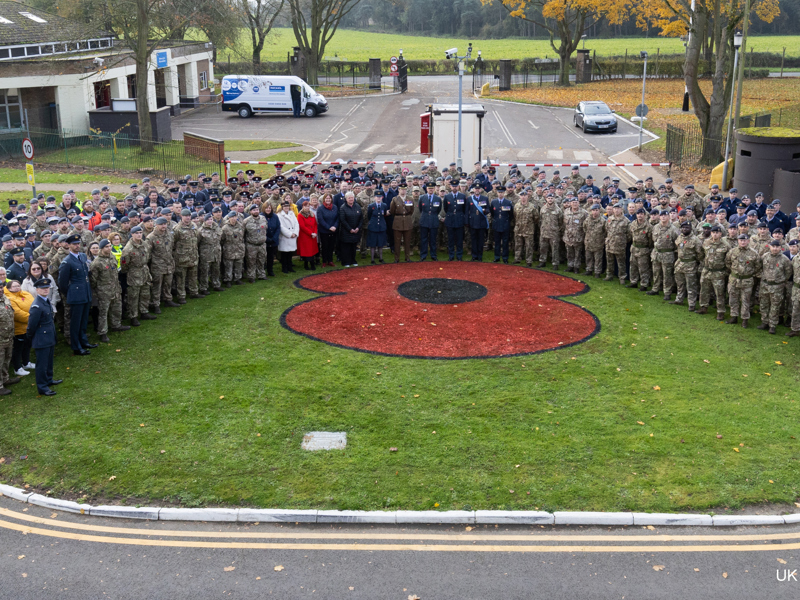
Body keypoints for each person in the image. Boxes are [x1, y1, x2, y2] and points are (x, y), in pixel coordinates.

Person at [57, 234, 97, 356]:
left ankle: (84, 341)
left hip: (85, 293)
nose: (77, 246)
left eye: (78, 243)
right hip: (76, 295)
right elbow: (62, 283)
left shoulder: (83, 256)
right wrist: (71, 292)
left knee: (84, 320)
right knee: (75, 322)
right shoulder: (67, 262)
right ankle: (76, 346)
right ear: (68, 245)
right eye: (74, 244)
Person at [25, 278, 61, 396]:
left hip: (49, 336)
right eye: (43, 288)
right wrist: (31, 337)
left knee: (49, 361)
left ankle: (49, 380)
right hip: (42, 339)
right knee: (42, 364)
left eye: (47, 288)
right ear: (37, 290)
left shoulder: (45, 301)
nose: (46, 290)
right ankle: (42, 387)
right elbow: (31, 325)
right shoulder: (37, 305)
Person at [90, 239, 130, 343]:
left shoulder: (112, 257)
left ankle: (116, 325)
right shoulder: (97, 262)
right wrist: (98, 290)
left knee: (116, 308)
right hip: (103, 291)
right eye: (107, 247)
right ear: (102, 248)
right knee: (103, 312)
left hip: (115, 288)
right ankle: (103, 332)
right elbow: (93, 280)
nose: (109, 248)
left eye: (110, 246)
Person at [7, 279, 34, 377]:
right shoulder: (9, 298)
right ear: (9, 288)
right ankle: (17, 368)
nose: (17, 287)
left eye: (18, 285)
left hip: (28, 326)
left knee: (27, 346)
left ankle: (26, 363)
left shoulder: (26, 294)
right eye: (14, 286)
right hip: (19, 328)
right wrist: (33, 318)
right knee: (18, 348)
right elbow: (17, 314)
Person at [0, 279, 19, 395]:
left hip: (8, 336)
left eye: (1, 288)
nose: (0, 290)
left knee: (7, 359)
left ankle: (5, 378)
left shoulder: (5, 299)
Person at [243, 204, 268, 282]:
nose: (256, 211)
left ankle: (261, 274)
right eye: (254, 210)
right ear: (250, 211)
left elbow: (265, 229)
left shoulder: (263, 219)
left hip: (262, 244)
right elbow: (243, 233)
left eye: (257, 210)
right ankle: (251, 276)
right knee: (251, 261)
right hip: (251, 245)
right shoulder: (246, 221)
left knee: (262, 260)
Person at [418, 182, 442, 262]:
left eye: (432, 188)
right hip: (424, 220)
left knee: (433, 239)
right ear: (426, 189)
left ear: (434, 189)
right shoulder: (422, 198)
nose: (430, 190)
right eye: (429, 188)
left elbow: (438, 210)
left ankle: (433, 255)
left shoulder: (437, 199)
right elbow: (420, 209)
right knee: (423, 239)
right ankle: (423, 255)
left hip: (433, 221)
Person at [338, 192, 362, 268]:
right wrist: (350, 229)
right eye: (349, 198)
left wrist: (358, 227)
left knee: (353, 246)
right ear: (346, 199)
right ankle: (346, 261)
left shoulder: (357, 206)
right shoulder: (343, 207)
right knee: (346, 248)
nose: (351, 199)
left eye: (352, 197)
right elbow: (342, 220)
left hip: (356, 231)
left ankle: (353, 260)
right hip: (346, 231)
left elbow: (361, 218)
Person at [366, 190, 388, 264]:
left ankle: (381, 258)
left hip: (381, 227)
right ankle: (372, 259)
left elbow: (384, 214)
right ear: (374, 197)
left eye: (380, 197)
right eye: (377, 197)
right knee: (373, 244)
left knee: (380, 244)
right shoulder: (371, 206)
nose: (378, 198)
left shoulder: (384, 205)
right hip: (373, 227)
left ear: (382, 197)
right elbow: (369, 216)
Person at [316, 193, 338, 267]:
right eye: (327, 198)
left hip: (333, 230)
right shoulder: (320, 208)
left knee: (331, 246)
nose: (328, 200)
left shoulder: (335, 207)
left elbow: (337, 218)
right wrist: (329, 227)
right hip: (324, 231)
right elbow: (321, 220)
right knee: (325, 247)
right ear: (324, 199)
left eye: (329, 198)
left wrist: (335, 226)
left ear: (331, 199)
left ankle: (330, 260)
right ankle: (324, 261)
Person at [278, 201, 300, 273]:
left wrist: (295, 233)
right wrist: (290, 234)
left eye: (287, 206)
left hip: (293, 236)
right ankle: (284, 268)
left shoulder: (292, 213)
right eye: (285, 206)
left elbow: (296, 223)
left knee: (290, 253)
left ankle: (290, 267)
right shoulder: (279, 215)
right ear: (282, 207)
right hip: (285, 237)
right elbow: (281, 227)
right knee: (284, 254)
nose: (286, 207)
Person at [297, 201, 319, 270]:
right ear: (303, 207)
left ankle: (311, 264)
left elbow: (315, 224)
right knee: (306, 251)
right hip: (305, 236)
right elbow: (302, 226)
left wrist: (315, 232)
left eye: (308, 206)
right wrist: (310, 233)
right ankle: (307, 264)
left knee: (312, 250)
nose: (307, 208)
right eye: (306, 206)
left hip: (313, 236)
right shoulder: (300, 215)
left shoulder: (312, 214)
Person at [263, 203, 281, 277]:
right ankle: (262, 272)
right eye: (266, 208)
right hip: (264, 240)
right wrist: (267, 238)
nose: (268, 209)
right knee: (263, 257)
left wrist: (274, 238)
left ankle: (270, 271)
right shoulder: (261, 216)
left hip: (273, 240)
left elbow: (278, 227)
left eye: (269, 208)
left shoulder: (275, 216)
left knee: (271, 257)